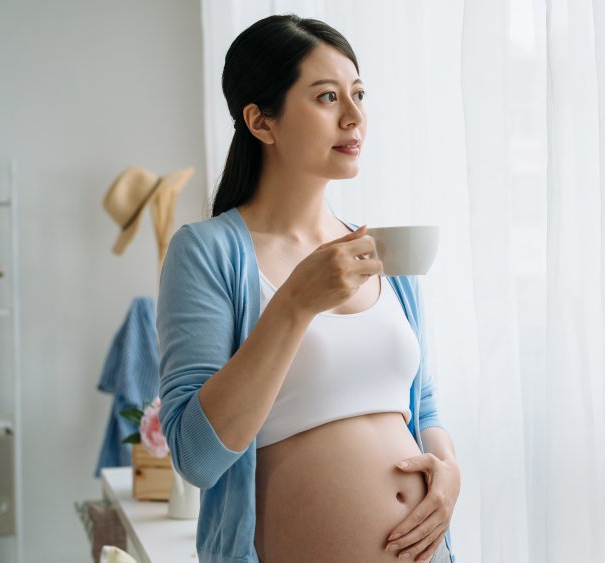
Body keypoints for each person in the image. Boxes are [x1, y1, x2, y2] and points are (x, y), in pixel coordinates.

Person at [157, 14, 460, 563]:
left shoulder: (380, 250)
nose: (355, 117)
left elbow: (424, 407)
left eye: (359, 94)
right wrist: (294, 304)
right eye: (326, 97)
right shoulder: (207, 252)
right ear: (261, 122)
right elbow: (196, 457)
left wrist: (447, 475)